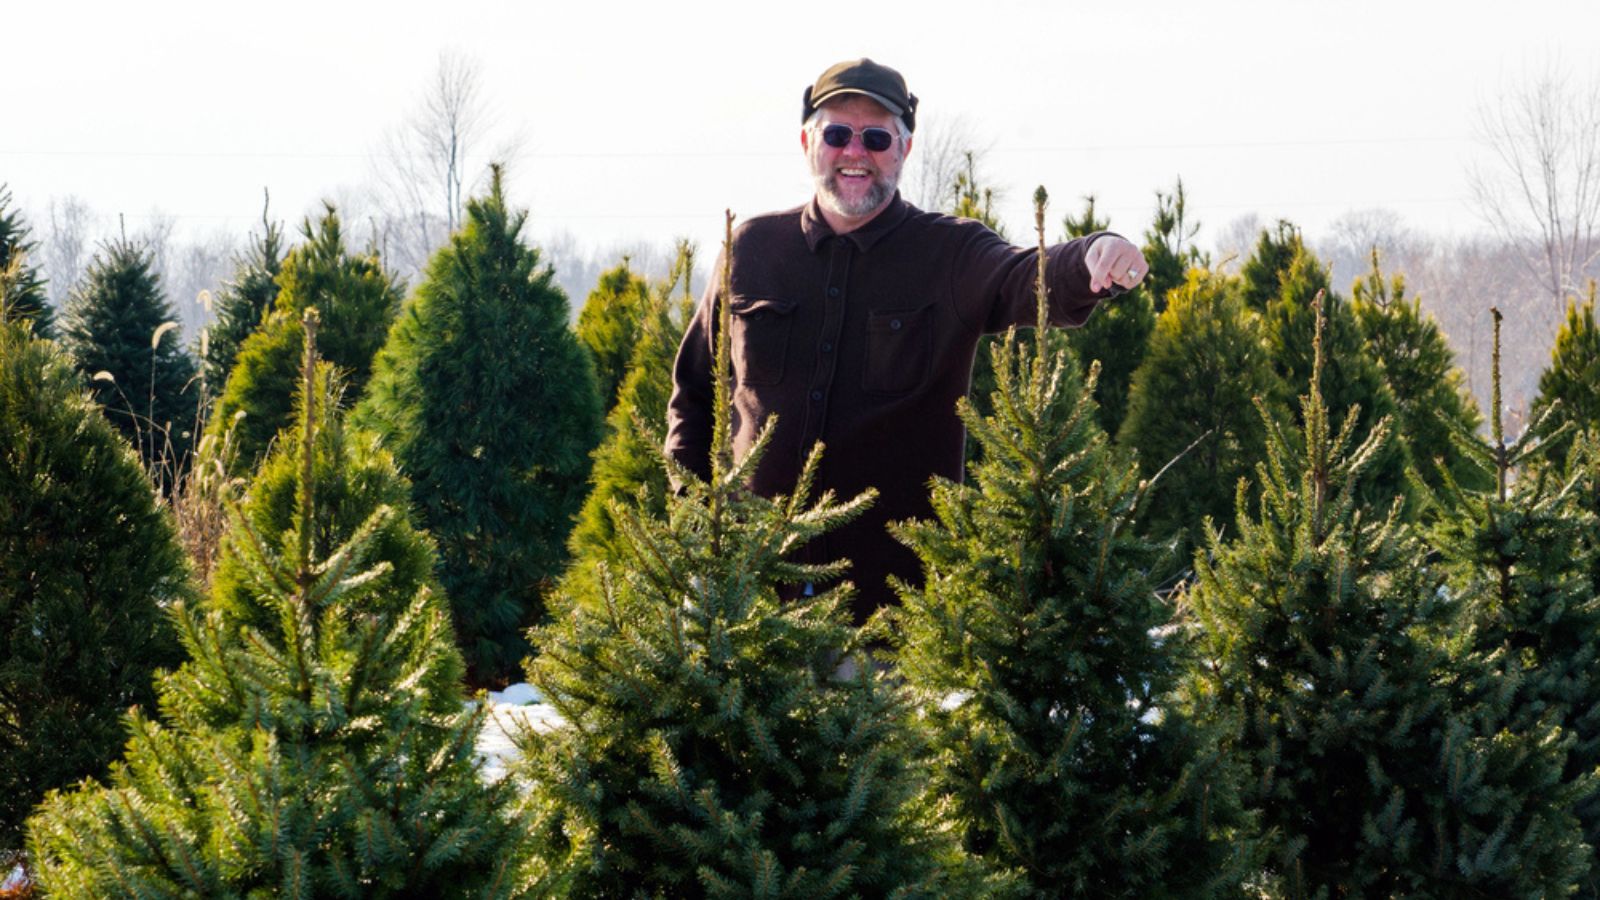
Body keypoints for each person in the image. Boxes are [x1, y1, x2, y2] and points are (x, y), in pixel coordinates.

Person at [666, 58, 1148, 624]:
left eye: (876, 138)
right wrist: (696, 523)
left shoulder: (949, 253)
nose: (855, 152)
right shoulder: (750, 249)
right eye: (837, 134)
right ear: (807, 142)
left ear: (905, 149)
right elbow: (693, 395)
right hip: (751, 607)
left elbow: (1025, 276)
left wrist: (1094, 254)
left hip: (891, 619)